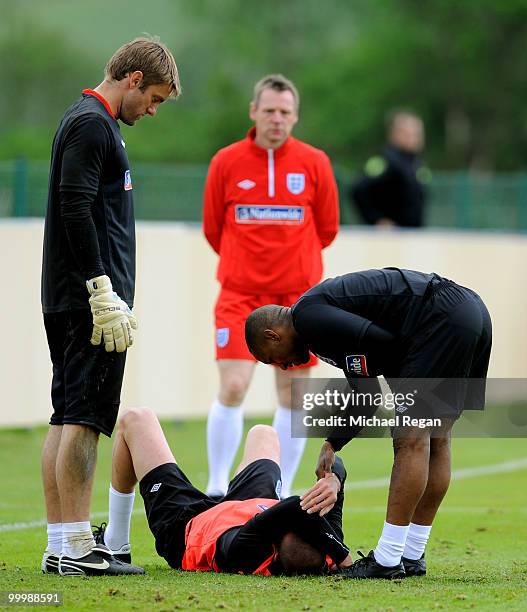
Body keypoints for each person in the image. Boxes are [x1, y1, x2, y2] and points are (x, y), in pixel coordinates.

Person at [245, 267, 492, 579]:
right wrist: (333, 442)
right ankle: (412, 554)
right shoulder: (317, 325)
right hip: (467, 311)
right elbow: (369, 393)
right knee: (436, 438)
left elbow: (384, 345)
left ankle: (388, 559)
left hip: (440, 317)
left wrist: (403, 393)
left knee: (410, 439)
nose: (282, 366)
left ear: (272, 335)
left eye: (272, 358)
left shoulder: (307, 318)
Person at [40, 37, 180, 576]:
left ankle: (61, 543)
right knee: (85, 419)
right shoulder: (92, 124)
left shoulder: (93, 123)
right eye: (155, 99)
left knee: (67, 416)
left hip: (76, 298)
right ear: (134, 79)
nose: (152, 110)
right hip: (89, 302)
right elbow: (74, 207)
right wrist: (101, 288)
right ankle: (76, 546)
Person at [202, 74, 339, 499]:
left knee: (293, 396)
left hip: (298, 300)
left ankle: (278, 489)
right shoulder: (225, 161)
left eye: (284, 112)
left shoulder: (315, 162)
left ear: (294, 116)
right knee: (234, 386)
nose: (276, 119)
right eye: (269, 111)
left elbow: (328, 229)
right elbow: (213, 229)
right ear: (253, 112)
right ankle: (218, 487)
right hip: (240, 294)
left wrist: (291, 266)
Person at [94, 407, 352, 576]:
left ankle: (116, 544)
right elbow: (336, 471)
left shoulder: (248, 553)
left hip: (189, 528)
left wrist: (345, 557)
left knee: (135, 420)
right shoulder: (325, 547)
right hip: (250, 505)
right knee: (263, 433)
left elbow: (294, 507)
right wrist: (333, 480)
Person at [350, 111, 428, 228]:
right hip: (390, 239)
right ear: (395, 134)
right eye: (409, 133)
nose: (414, 138)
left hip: (412, 235)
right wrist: (376, 219)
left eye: (417, 134)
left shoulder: (416, 163)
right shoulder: (385, 161)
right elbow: (358, 189)